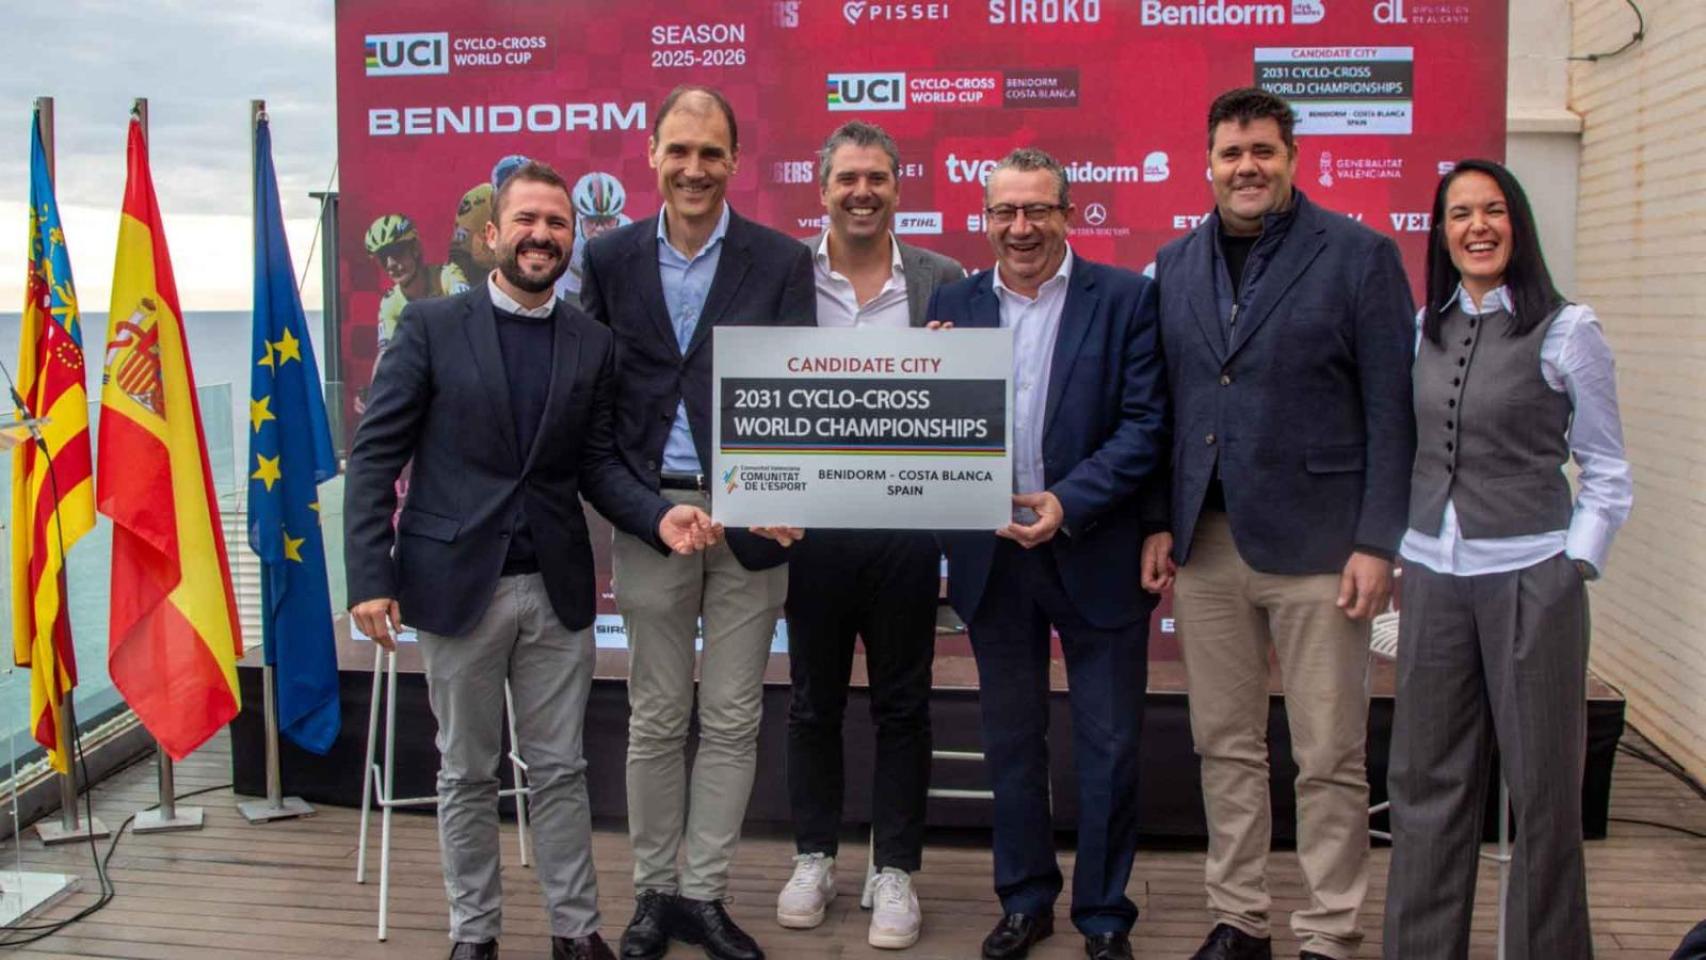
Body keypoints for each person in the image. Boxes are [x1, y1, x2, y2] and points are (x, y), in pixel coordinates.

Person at [344, 161, 722, 960]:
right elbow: (375, 457)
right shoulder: (430, 327)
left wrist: (660, 516)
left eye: (557, 223)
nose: (541, 235)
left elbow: (599, 467)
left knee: (559, 770)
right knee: (465, 775)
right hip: (454, 590)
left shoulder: (592, 342)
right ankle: (474, 935)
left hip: (556, 590)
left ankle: (574, 931)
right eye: (526, 221)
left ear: (571, 238)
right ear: (491, 235)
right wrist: (370, 577)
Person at [1139, 87, 1416, 960]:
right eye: (1232, 153)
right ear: (1208, 164)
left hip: (1323, 545)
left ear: (1293, 159)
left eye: (1263, 150)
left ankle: (1331, 928)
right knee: (1224, 743)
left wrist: (1377, 540)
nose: (1247, 167)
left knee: (1329, 752)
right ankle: (1240, 917)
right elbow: (1165, 406)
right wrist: (1159, 521)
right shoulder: (1175, 263)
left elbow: (1394, 413)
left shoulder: (1361, 256)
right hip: (1208, 544)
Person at [578, 84, 815, 960]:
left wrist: (790, 491)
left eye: (711, 152)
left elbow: (799, 394)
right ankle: (653, 895)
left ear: (735, 161)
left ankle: (705, 895)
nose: (694, 168)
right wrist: (648, 510)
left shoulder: (781, 261)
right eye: (678, 150)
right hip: (653, 515)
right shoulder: (607, 261)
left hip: (755, 520)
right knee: (654, 716)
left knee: (733, 717)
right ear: (651, 154)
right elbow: (593, 413)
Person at [1383, 159, 1632, 960]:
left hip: (1532, 577)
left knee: (1545, 789)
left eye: (1492, 210)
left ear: (1517, 223)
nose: (1477, 227)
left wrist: (1573, 565)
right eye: (1460, 214)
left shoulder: (1568, 329)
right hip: (1433, 574)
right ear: (1441, 232)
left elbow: (1607, 469)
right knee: (1425, 782)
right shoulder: (1425, 327)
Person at [927, 147, 1168, 960]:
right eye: (1005, 211)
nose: (1021, 227)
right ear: (985, 219)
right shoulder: (951, 304)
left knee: (1111, 745)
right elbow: (929, 426)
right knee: (1011, 741)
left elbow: (1146, 426)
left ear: (1069, 214)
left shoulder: (1127, 299)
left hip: (1095, 549)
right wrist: (928, 374)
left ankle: (1103, 915)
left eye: (1037, 209)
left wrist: (1069, 502)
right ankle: (1025, 899)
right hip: (993, 557)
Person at [771, 120, 965, 951]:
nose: (862, 192)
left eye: (877, 178)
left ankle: (895, 870)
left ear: (897, 187)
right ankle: (814, 856)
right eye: (847, 178)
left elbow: (968, 405)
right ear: (822, 189)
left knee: (904, 706)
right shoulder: (784, 272)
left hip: (905, 528)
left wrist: (952, 365)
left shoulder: (942, 279)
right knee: (811, 703)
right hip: (808, 529)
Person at [364, 212, 470, 356]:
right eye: (383, 258)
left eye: (396, 252)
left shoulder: (447, 275)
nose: (390, 264)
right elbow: (386, 357)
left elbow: (470, 321)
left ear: (415, 248)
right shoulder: (390, 303)